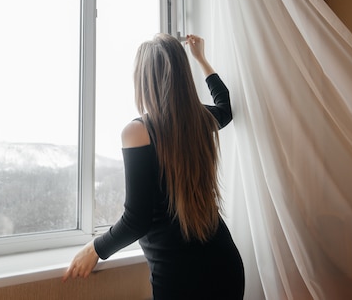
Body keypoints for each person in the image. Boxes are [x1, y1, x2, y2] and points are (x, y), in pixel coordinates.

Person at [63, 33, 245, 299]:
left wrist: (94, 249)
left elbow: (137, 219)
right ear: (183, 77)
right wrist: (201, 59)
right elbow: (225, 106)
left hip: (181, 277)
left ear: (144, 81)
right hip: (225, 266)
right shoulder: (199, 120)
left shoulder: (138, 132)